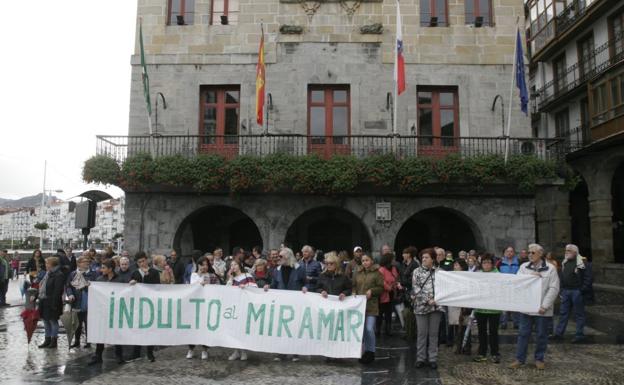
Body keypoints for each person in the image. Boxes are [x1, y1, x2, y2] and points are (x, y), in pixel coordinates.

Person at [510, 243, 560, 370]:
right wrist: (530, 276)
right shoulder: (523, 267)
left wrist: (545, 305)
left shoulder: (550, 268)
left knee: (542, 334)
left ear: (540, 254)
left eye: (533, 252)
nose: (530, 255)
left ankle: (539, 358)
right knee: (523, 334)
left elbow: (554, 288)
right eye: (529, 252)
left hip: (542, 309)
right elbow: (517, 282)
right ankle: (520, 359)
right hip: (527, 307)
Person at [264, 247, 308, 361]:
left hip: (296, 303)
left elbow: (306, 282)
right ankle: (281, 352)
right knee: (281, 328)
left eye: (281, 256)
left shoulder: (300, 268)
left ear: (288, 256)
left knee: (294, 328)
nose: (278, 258)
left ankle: (295, 352)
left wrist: (305, 287)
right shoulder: (277, 270)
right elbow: (274, 284)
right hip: (281, 304)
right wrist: (268, 286)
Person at [88, 259, 126, 365]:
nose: (101, 270)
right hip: (103, 311)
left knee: (116, 334)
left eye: (104, 268)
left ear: (110, 269)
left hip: (115, 311)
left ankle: (119, 355)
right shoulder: (100, 279)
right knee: (101, 333)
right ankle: (98, 355)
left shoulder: (120, 280)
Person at [552, 244, 592, 343]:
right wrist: (561, 290)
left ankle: (579, 335)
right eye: (566, 250)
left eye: (569, 250)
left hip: (577, 291)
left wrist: (582, 290)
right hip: (566, 291)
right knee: (563, 313)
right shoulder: (565, 262)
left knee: (579, 314)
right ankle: (559, 333)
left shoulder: (582, 262)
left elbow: (588, 278)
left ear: (575, 252)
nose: (566, 252)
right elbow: (562, 276)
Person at [413, 248, 443, 369]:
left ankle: (432, 358)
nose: (424, 259)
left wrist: (437, 299)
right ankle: (420, 358)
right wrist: (427, 299)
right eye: (423, 257)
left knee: (433, 334)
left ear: (433, 259)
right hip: (421, 306)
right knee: (421, 333)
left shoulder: (439, 272)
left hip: (436, 306)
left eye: (427, 257)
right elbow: (415, 288)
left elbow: (444, 287)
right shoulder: (417, 271)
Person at [352, 254, 384, 364]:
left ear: (371, 261)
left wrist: (372, 291)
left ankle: (371, 351)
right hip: (359, 306)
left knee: (369, 329)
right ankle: (363, 352)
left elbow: (381, 288)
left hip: (371, 305)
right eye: (363, 260)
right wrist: (354, 292)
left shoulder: (377, 273)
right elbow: (354, 285)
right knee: (362, 330)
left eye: (367, 260)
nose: (365, 262)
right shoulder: (357, 273)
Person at [129, 252, 160, 362]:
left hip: (150, 304)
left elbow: (156, 287)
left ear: (147, 260)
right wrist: (132, 283)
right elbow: (131, 290)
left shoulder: (154, 272)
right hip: (138, 305)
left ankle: (149, 352)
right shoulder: (135, 273)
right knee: (137, 328)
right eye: (139, 262)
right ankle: (136, 352)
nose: (142, 263)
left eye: (143, 261)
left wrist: (146, 277)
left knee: (150, 329)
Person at [186, 256, 219, 360]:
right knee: (193, 328)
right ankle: (191, 349)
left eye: (206, 264)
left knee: (205, 328)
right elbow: (191, 287)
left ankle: (205, 350)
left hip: (207, 304)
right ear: (198, 265)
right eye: (202, 264)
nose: (204, 267)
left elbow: (218, 287)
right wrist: (199, 283)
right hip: (195, 305)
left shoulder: (211, 276)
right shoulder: (194, 275)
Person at [473, 254, 502, 363]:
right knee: (481, 332)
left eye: (488, 262)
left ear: (492, 263)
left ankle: (495, 353)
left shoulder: (497, 274)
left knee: (493, 331)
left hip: (494, 309)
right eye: (484, 262)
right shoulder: (478, 274)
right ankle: (482, 353)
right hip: (480, 309)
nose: (486, 265)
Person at [227, 261, 256, 361]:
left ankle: (243, 351)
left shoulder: (247, 276)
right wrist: (230, 278)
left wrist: (246, 287)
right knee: (234, 329)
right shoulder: (233, 279)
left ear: (240, 265)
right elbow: (226, 290)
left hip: (245, 305)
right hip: (235, 306)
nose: (233, 266)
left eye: (235, 264)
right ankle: (236, 351)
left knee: (242, 329)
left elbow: (254, 288)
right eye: (231, 265)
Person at [65, 256, 95, 348]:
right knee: (77, 323)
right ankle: (77, 341)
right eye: (84, 262)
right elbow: (68, 286)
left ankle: (88, 342)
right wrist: (70, 294)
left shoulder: (93, 274)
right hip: (77, 301)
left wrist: (91, 285)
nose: (87, 263)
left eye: (88, 262)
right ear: (79, 263)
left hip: (88, 301)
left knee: (88, 323)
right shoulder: (73, 274)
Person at [37, 257, 65, 349]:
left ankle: (54, 340)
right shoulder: (48, 274)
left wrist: (54, 304)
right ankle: (47, 339)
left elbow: (58, 290)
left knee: (53, 320)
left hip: (52, 301)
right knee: (45, 320)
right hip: (44, 300)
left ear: (52, 264)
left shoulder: (59, 274)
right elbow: (42, 286)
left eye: (47, 263)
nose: (46, 265)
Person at [448, 259, 471, 355]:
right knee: (456, 326)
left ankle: (466, 346)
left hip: (465, 304)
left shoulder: (468, 277)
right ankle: (458, 345)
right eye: (455, 265)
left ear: (462, 266)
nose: (455, 267)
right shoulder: (451, 276)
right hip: (454, 304)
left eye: (457, 265)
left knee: (466, 326)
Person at [377, 253, 399, 336]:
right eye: (392, 259)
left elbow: (395, 278)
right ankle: (378, 330)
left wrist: (395, 285)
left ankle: (388, 330)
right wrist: (388, 287)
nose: (393, 260)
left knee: (389, 312)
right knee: (380, 312)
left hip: (391, 293)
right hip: (383, 294)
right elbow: (381, 281)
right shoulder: (381, 269)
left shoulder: (393, 268)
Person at [498, 246, 520, 330]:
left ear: (514, 253)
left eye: (511, 251)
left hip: (515, 287)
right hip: (504, 288)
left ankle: (516, 322)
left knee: (515, 305)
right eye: (507, 251)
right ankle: (503, 322)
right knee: (504, 306)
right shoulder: (500, 263)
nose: (509, 253)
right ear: (504, 253)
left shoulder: (518, 263)